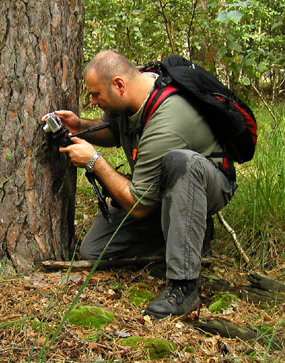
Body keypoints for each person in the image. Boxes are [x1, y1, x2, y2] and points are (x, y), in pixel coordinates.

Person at [46, 50, 236, 318]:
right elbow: (114, 130)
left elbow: (139, 205)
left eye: (95, 94)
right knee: (94, 250)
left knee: (182, 163)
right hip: (161, 188)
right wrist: (79, 126)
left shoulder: (167, 118)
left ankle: (183, 286)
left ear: (119, 85)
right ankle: (182, 236)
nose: (93, 100)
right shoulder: (132, 96)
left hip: (207, 185)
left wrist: (95, 161)